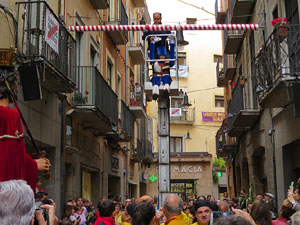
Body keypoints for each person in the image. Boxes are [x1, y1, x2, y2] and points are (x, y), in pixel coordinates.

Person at [0, 69, 50, 191]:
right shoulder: (9, 114)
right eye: (17, 83)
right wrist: (34, 164)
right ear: (12, 85)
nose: (17, 87)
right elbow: (11, 156)